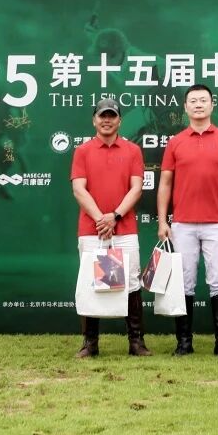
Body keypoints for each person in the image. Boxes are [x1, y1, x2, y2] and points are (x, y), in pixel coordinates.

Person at [156, 84, 218, 356]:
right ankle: (184, 343)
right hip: (182, 224)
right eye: (193, 101)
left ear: (212, 105)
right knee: (184, 283)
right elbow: (165, 183)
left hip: (217, 223)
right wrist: (163, 221)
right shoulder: (176, 142)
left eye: (203, 100)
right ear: (185, 107)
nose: (198, 105)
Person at [69, 97, 148, 357]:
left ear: (119, 121)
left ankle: (136, 342)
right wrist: (101, 219)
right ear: (94, 120)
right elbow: (79, 189)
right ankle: (90, 343)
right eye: (102, 116)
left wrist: (114, 216)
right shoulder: (82, 151)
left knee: (132, 282)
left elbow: (136, 188)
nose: (106, 120)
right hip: (91, 230)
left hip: (124, 229)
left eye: (111, 116)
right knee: (91, 282)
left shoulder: (133, 150)